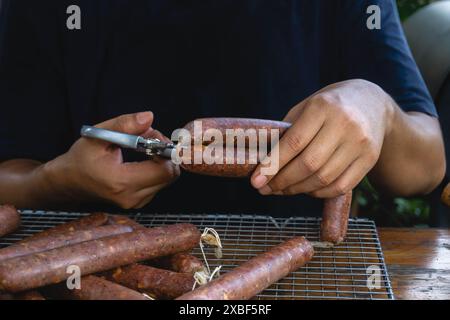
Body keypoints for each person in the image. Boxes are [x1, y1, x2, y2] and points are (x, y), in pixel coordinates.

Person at [0, 0, 445, 217]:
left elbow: (426, 169)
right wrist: (55, 183)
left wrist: (379, 108)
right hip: (92, 271)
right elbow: (9, 176)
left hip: (297, 272)